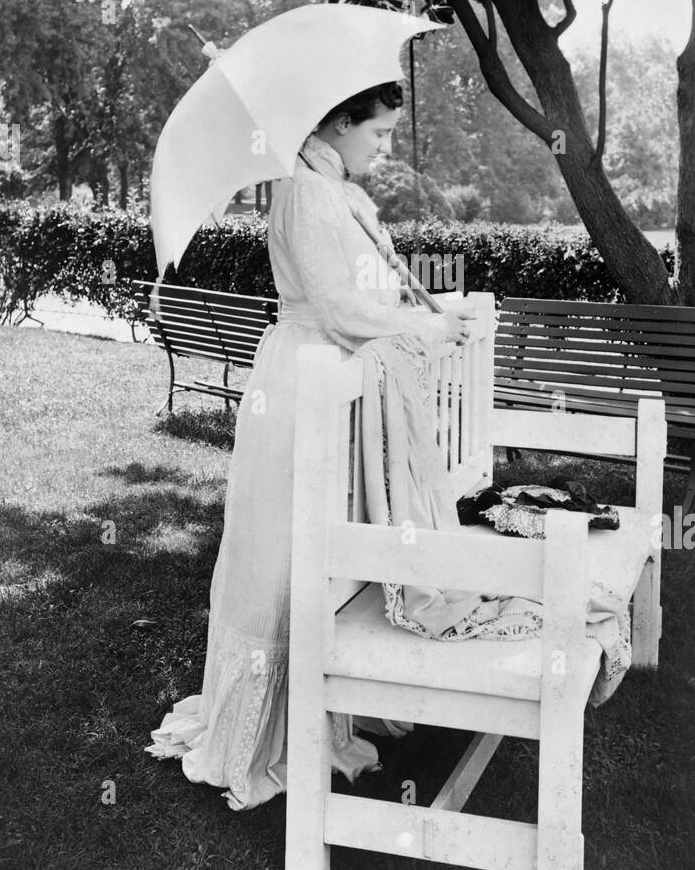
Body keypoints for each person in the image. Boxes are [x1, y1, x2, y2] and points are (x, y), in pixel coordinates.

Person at [146, 81, 477, 810]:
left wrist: (425, 310)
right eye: (379, 133)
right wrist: (425, 329)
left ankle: (325, 699)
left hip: (334, 371)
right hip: (305, 375)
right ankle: (270, 723)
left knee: (320, 540)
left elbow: (364, 290)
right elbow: (338, 305)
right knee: (284, 542)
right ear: (337, 119)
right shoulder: (307, 192)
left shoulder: (331, 189)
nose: (385, 149)